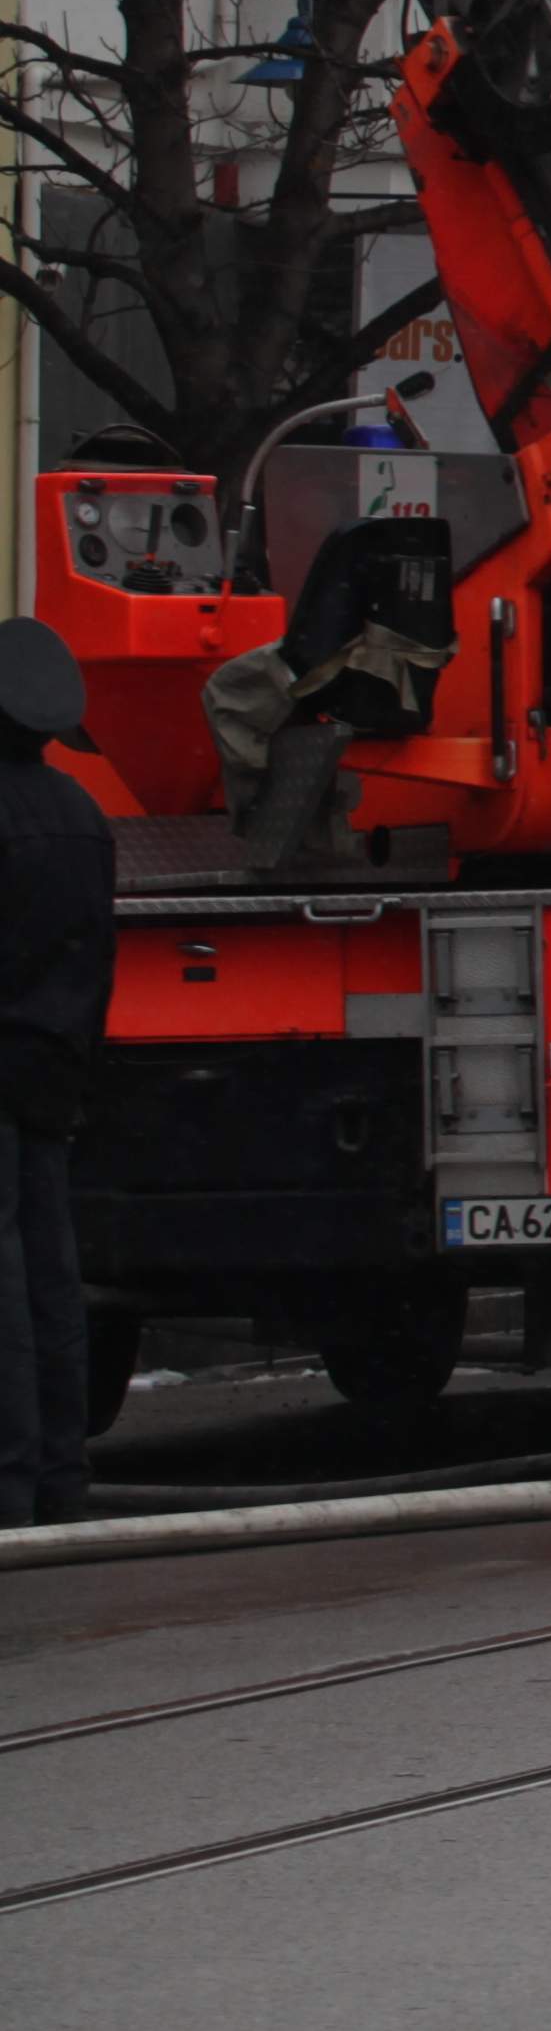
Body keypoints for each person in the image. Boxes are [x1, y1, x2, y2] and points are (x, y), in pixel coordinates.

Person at [0, 617, 117, 1529]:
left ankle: (8, 1483)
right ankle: (59, 1476)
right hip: (51, 1067)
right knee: (51, 1275)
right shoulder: (81, 814)